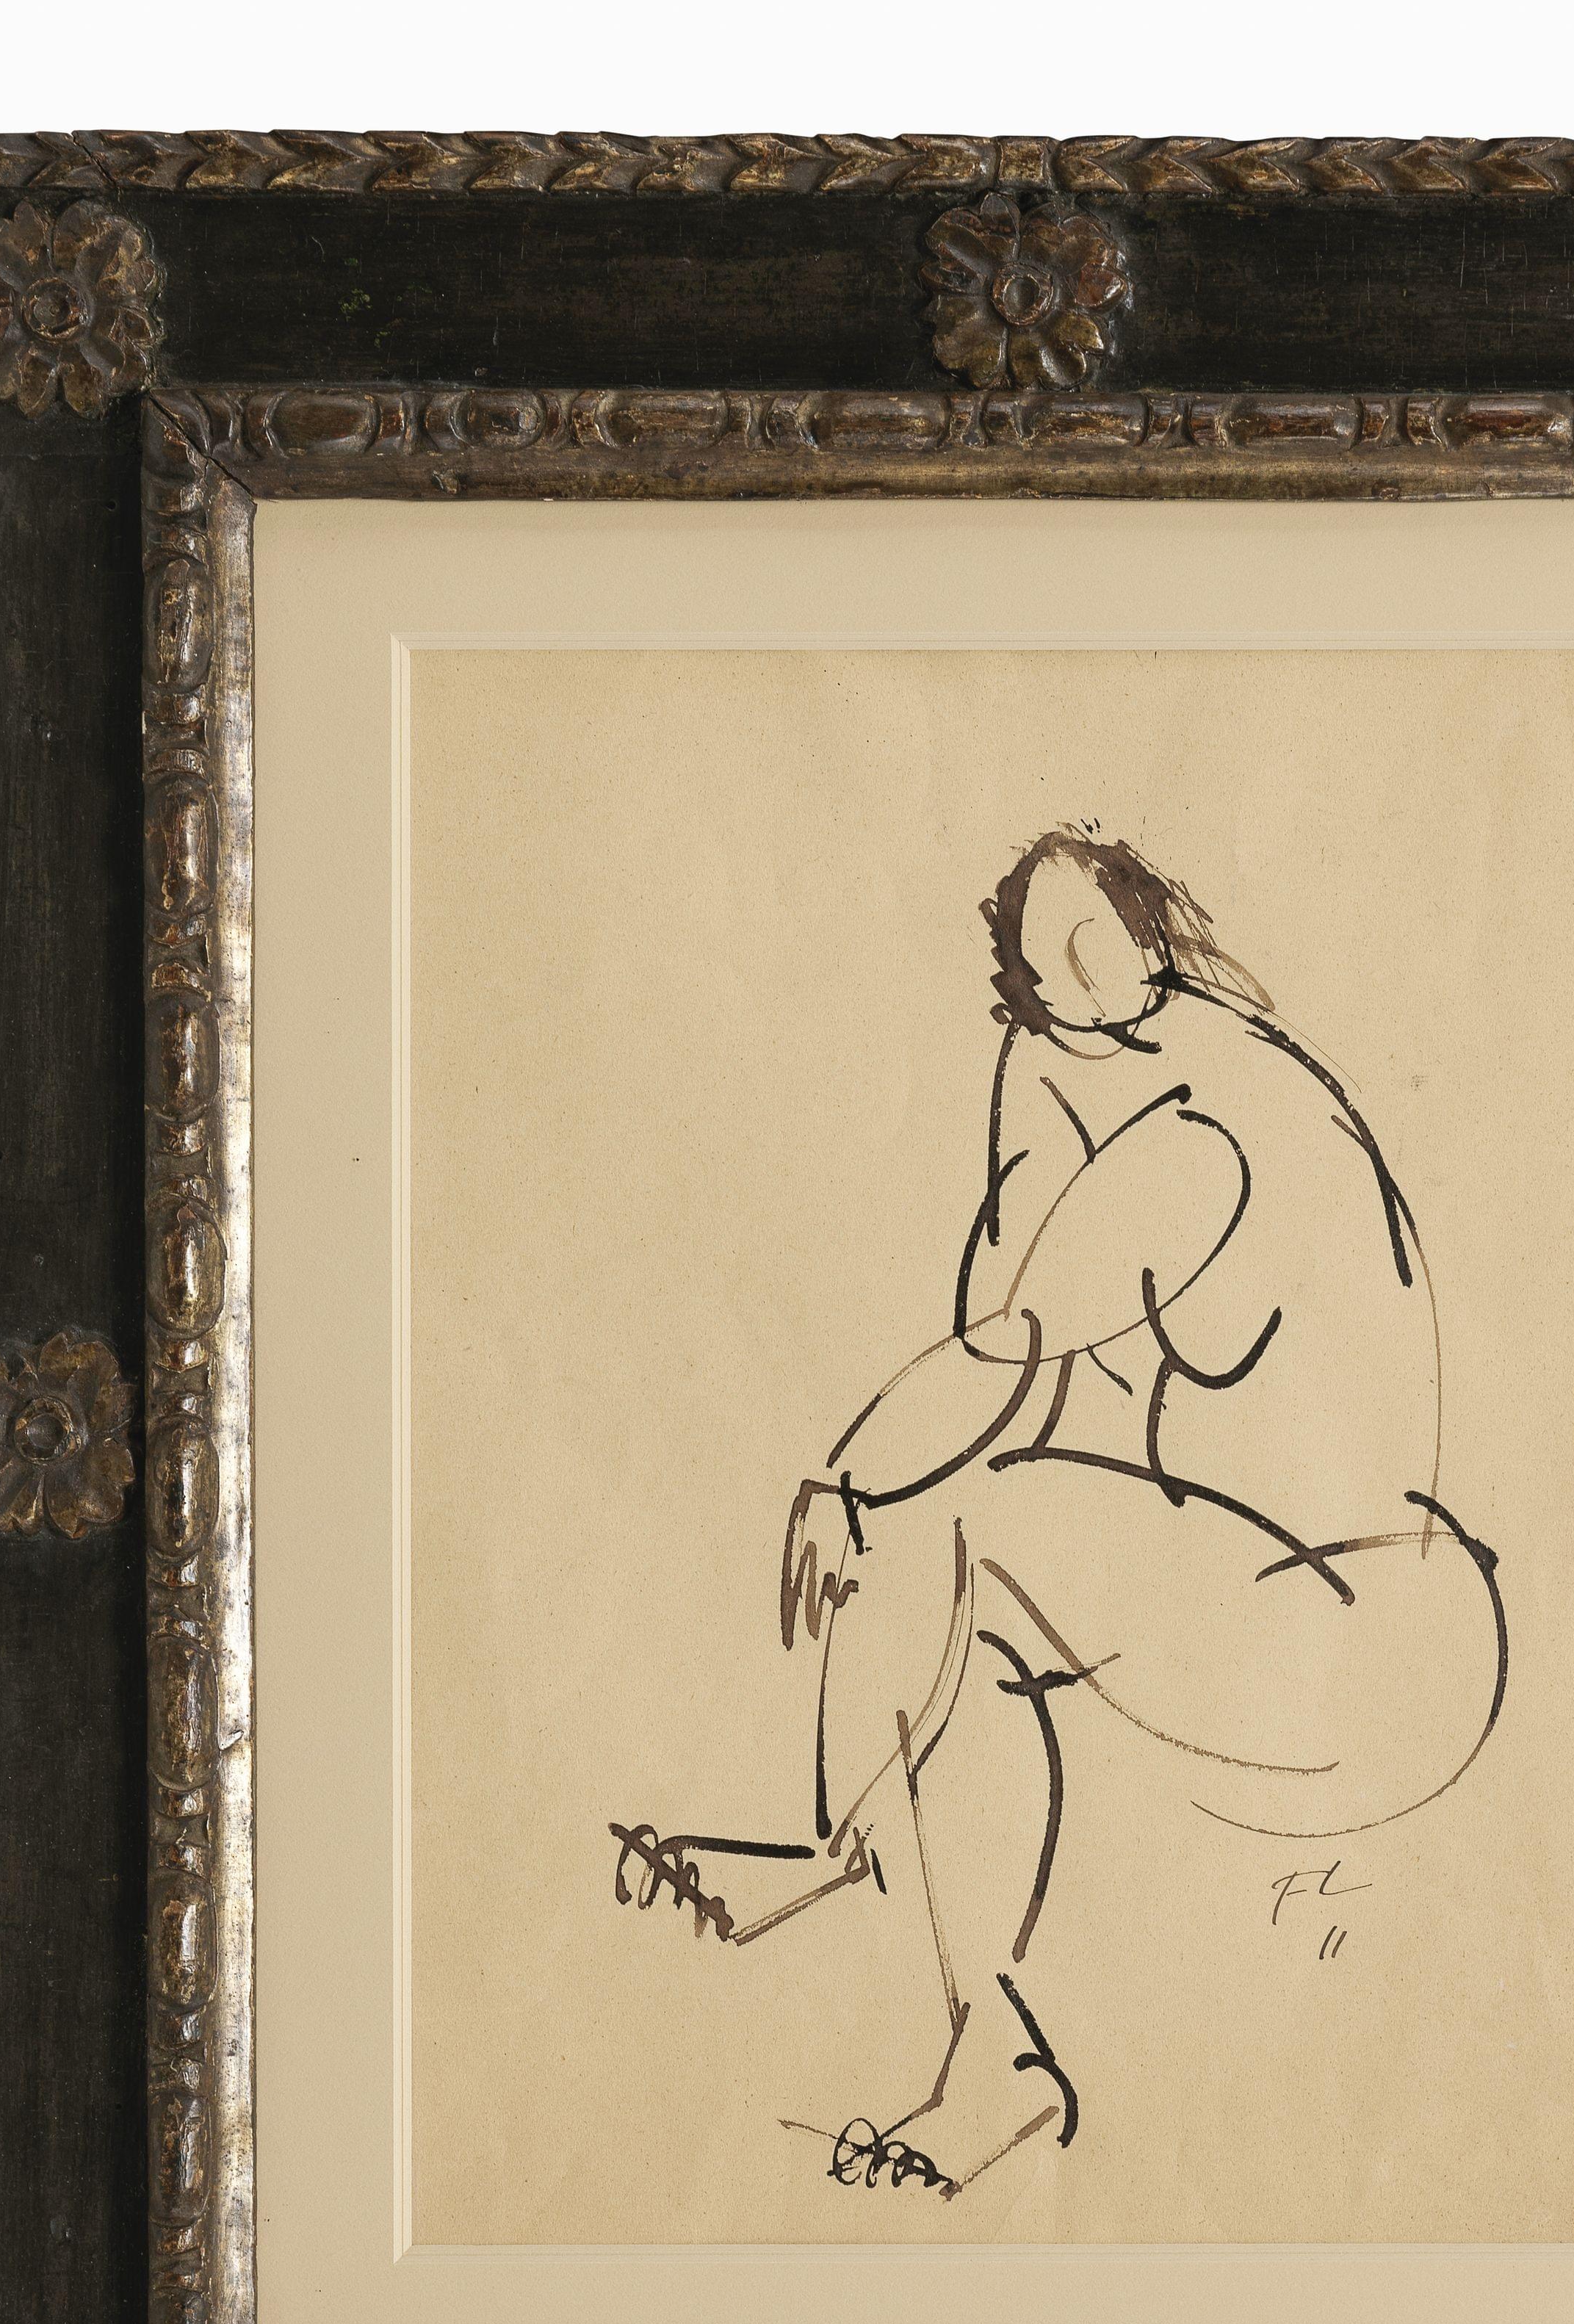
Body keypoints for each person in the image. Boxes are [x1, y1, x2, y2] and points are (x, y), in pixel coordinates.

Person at [609, 826, 1504, 2198]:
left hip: (1375, 1632)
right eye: (1038, 972)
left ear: (1149, 944)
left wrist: (840, 1475)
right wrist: (1029, 1126)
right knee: (950, 1522)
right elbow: (1013, 1335)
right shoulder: (1108, 1077)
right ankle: (857, 1871)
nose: (1062, 991)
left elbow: (1009, 1348)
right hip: (1299, 1594)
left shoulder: (1202, 1132)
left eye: (1088, 953)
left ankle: (956, 2013)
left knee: (945, 1515)